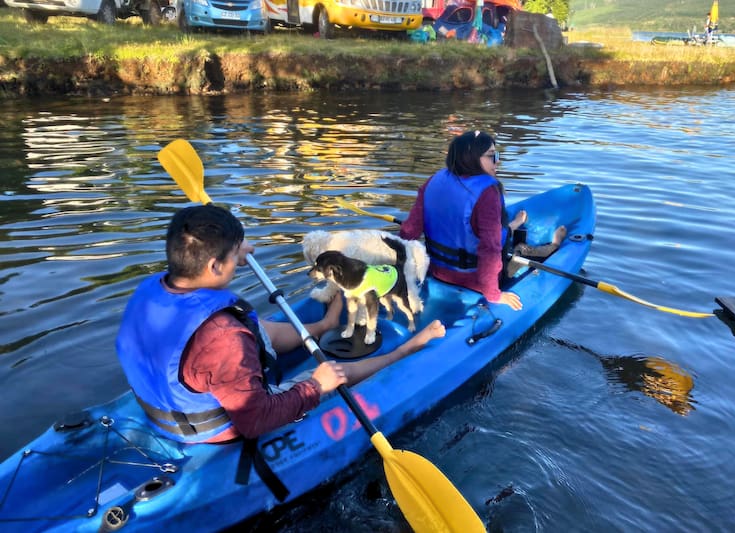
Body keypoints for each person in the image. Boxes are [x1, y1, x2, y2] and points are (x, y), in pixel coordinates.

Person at [115, 204, 445, 445]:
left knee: (254, 327)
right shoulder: (223, 338)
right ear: (214, 265)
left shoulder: (154, 287)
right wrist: (316, 386)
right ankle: (406, 350)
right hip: (220, 428)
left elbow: (235, 334)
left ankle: (322, 326)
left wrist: (233, 249)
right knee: (332, 370)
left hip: (170, 405)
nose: (246, 253)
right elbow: (256, 419)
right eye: (236, 253)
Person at [399, 130, 565, 311]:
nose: (498, 161)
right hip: (473, 279)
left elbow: (409, 232)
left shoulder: (433, 180)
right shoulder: (487, 193)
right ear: (471, 158)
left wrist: (400, 273)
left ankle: (513, 225)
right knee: (517, 250)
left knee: (495, 232)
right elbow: (490, 249)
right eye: (492, 156)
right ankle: (554, 245)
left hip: (436, 272)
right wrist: (494, 294)